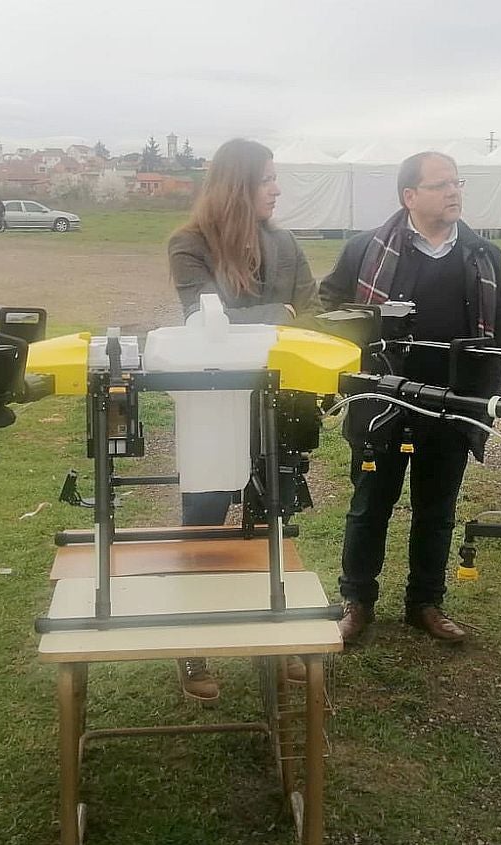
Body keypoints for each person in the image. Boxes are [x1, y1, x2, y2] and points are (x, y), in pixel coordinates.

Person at [320, 151, 501, 646]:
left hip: (453, 406)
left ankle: (425, 603)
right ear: (410, 196)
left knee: (438, 510)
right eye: (441, 185)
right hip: (382, 402)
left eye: (457, 182)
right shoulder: (366, 250)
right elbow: (328, 309)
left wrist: (486, 393)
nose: (454, 192)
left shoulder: (483, 255)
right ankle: (358, 600)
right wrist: (358, 370)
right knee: (370, 505)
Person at [166, 137, 320, 700]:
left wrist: (265, 320)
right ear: (238, 186)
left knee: (271, 519)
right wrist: (277, 315)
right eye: (267, 179)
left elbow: (311, 319)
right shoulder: (189, 244)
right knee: (204, 519)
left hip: (278, 402)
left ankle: (272, 637)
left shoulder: (286, 243)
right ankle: (192, 643)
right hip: (213, 402)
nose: (277, 189)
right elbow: (202, 322)